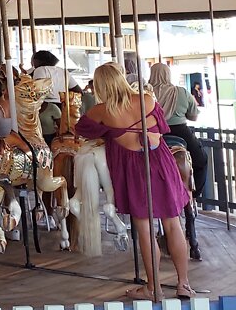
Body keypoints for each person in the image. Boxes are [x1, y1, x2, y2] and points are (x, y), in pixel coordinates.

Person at [76, 63, 193, 301]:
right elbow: (162, 128)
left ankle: (154, 288)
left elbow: (82, 129)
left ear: (99, 85)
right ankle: (183, 284)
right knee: (173, 225)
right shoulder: (147, 99)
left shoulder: (101, 111)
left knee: (146, 231)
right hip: (161, 164)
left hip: (134, 172)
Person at [149, 63, 207, 197]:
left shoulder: (146, 94)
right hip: (180, 131)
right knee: (201, 160)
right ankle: (195, 194)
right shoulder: (181, 92)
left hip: (155, 132)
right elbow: (193, 116)